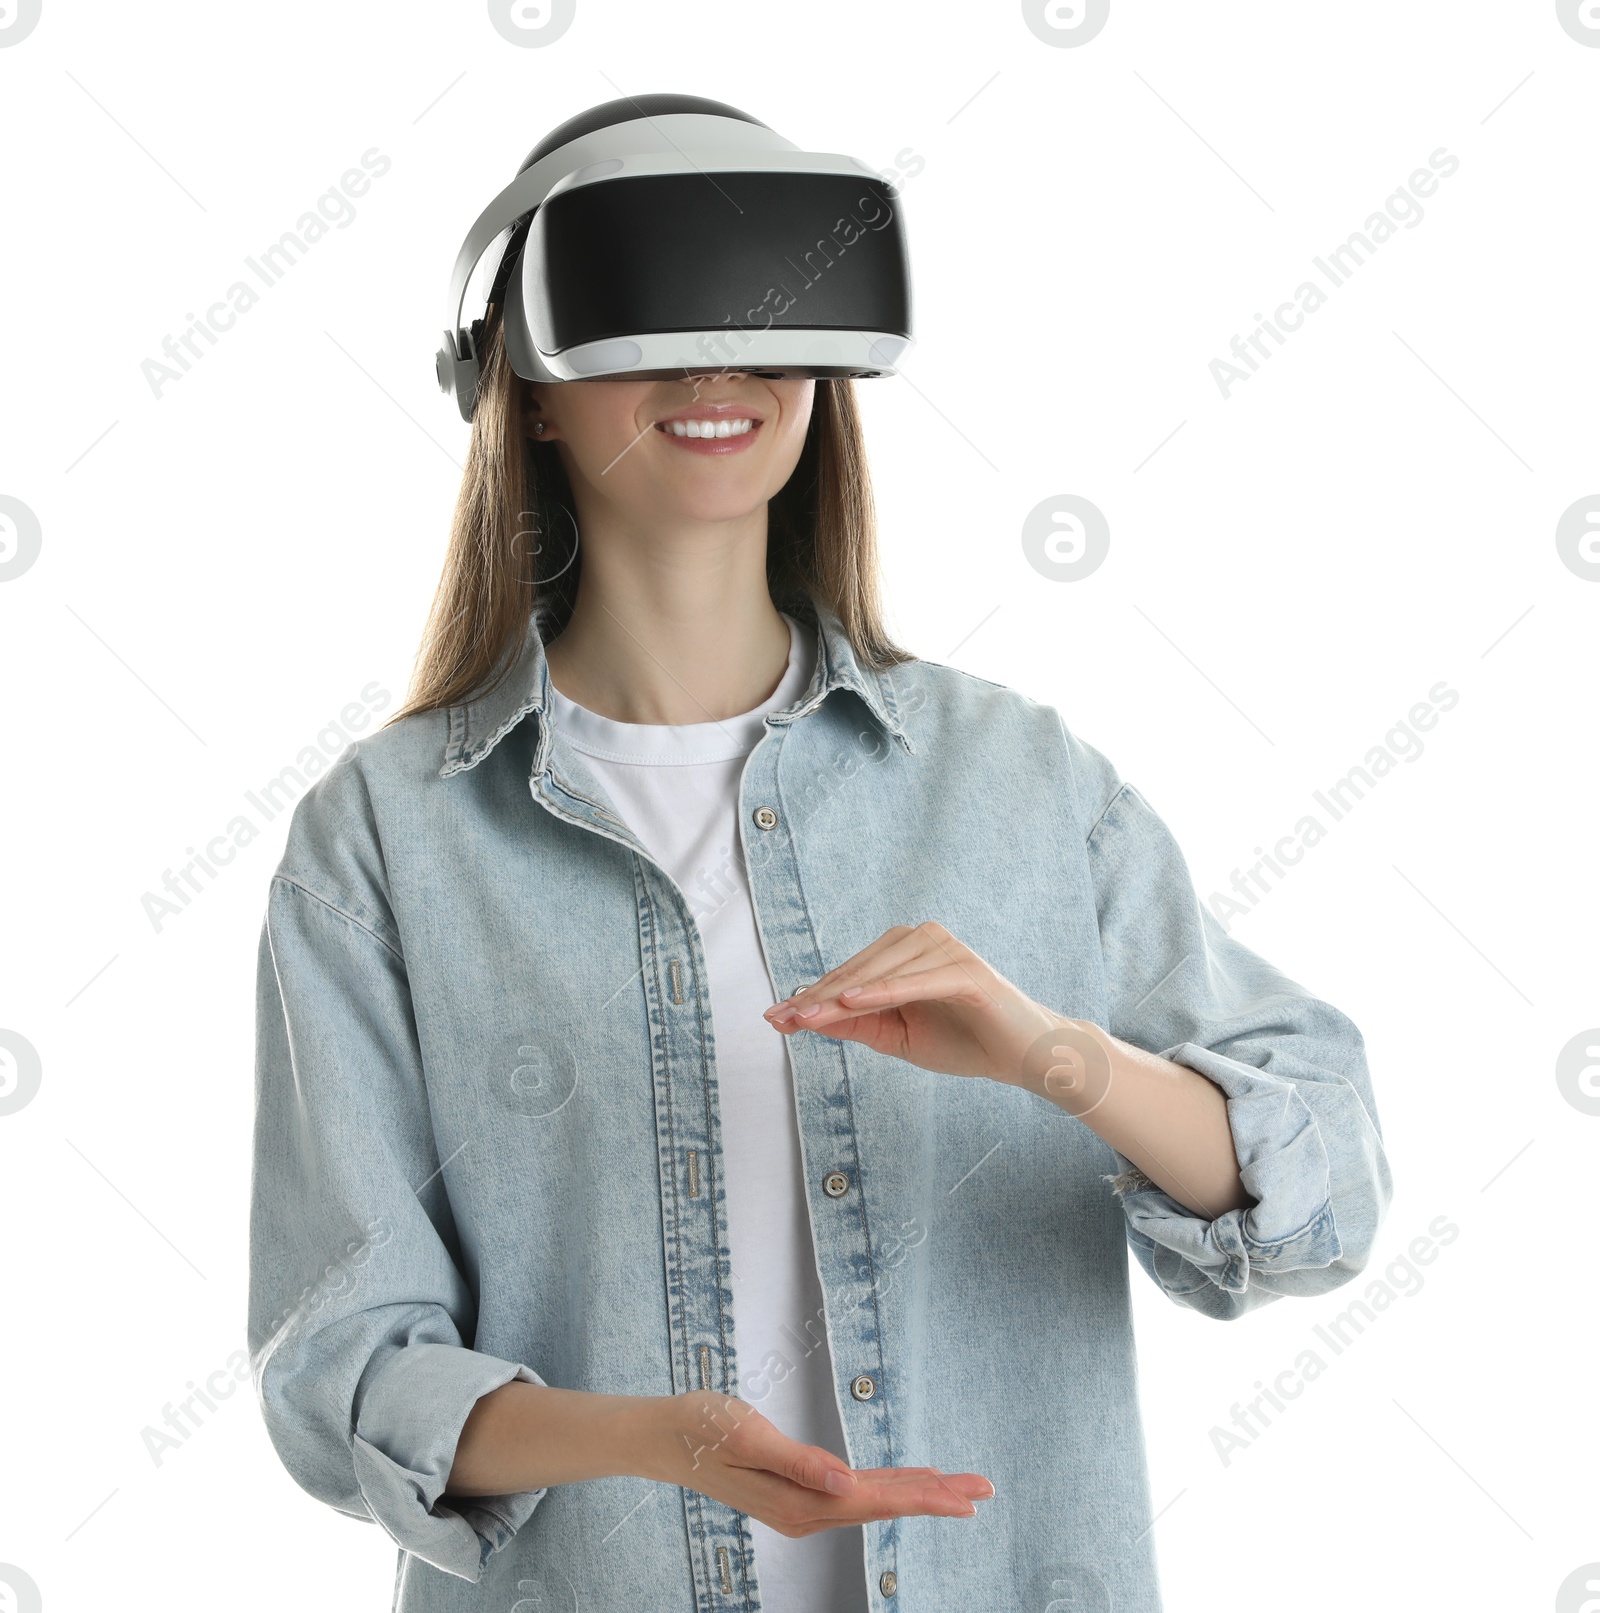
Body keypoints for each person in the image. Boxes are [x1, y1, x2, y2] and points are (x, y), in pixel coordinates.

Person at [248, 104, 1392, 1613]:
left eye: (769, 311)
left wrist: (1061, 1058)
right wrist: (656, 1440)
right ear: (520, 386)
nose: (719, 367)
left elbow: (1327, 1193)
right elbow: (343, 1362)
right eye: (649, 307)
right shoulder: (383, 839)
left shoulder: (1020, 781)